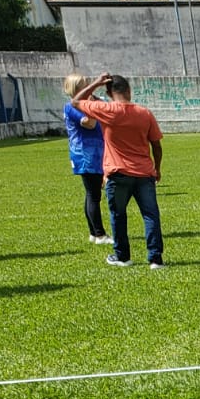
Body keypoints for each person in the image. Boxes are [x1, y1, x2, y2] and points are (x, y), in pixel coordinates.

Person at [71, 74, 165, 269]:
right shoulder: (144, 113)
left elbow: (76, 101)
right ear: (129, 90)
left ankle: (123, 256)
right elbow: (156, 144)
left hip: (117, 172)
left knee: (118, 215)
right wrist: (157, 167)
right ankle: (155, 259)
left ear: (108, 92)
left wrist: (95, 83)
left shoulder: (107, 110)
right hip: (144, 173)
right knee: (150, 215)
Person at [62, 74, 108, 246]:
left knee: (92, 193)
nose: (88, 87)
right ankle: (99, 234)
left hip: (95, 152)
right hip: (84, 154)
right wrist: (95, 107)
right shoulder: (70, 107)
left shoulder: (86, 104)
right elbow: (90, 123)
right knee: (93, 194)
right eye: (85, 85)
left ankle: (93, 232)